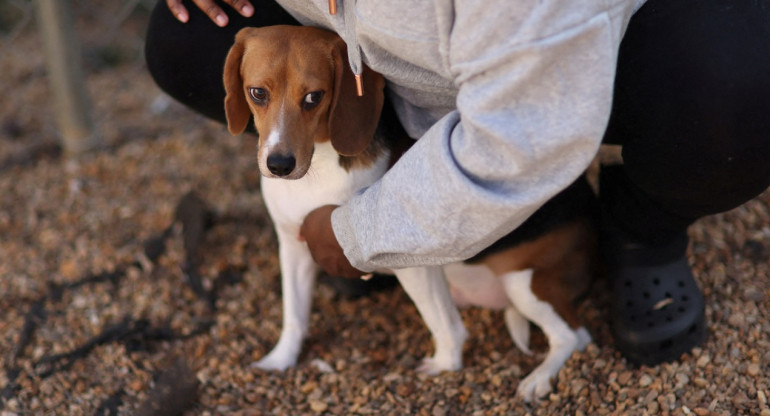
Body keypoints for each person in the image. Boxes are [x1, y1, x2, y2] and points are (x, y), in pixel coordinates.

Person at [145, 0, 770, 366]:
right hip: (376, 57)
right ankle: (362, 162)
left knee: (735, 96)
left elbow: (523, 134)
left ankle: (642, 225)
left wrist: (359, 232)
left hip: (577, 43)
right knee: (180, 35)